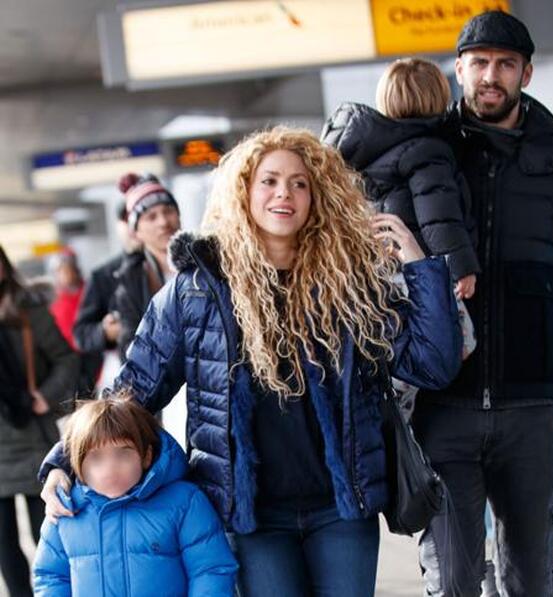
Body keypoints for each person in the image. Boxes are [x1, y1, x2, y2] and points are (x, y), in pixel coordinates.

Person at [40, 127, 462, 597]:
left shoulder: (350, 285)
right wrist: (63, 460)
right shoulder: (197, 290)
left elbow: (432, 364)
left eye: (300, 183)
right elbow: (133, 387)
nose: (285, 193)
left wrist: (420, 266)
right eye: (270, 181)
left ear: (318, 196)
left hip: (342, 510)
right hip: (253, 517)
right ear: (243, 191)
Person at [410, 11, 553, 596]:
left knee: (532, 578)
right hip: (444, 405)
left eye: (504, 64)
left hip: (534, 408)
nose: (490, 76)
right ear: (459, 69)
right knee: (452, 579)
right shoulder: (430, 154)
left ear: (526, 72)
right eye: (479, 64)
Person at [32, 394, 238, 596]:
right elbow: (51, 576)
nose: (110, 470)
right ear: (77, 463)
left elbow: (210, 569)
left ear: (146, 456)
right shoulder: (65, 510)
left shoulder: (184, 503)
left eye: (123, 454)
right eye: (96, 458)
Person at [321, 57, 480, 300]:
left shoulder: (369, 148)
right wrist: (461, 267)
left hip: (382, 272)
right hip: (421, 271)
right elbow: (439, 217)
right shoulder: (428, 150)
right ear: (438, 97)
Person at [0, 245, 79, 597]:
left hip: (32, 437)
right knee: (4, 549)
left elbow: (66, 360)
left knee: (47, 534)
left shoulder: (29, 311)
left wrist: (45, 395)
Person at [114, 173, 181, 359]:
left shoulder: (207, 261)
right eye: (151, 217)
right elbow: (129, 348)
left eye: (168, 211)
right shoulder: (130, 283)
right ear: (136, 232)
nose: (163, 222)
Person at [73, 200, 142, 369]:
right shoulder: (104, 275)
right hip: (138, 372)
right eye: (127, 219)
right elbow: (81, 334)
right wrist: (106, 332)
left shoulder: (182, 265)